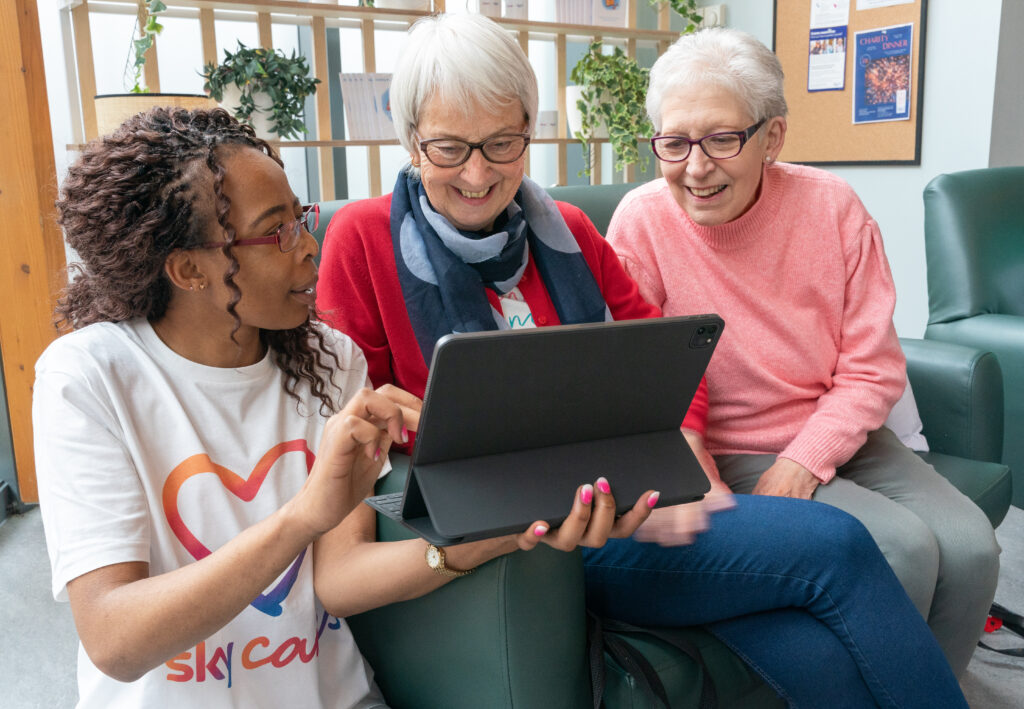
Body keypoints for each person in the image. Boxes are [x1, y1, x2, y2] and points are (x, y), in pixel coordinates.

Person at [316, 12, 969, 708]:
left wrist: (688, 457)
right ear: (410, 140)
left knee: (821, 651)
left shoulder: (563, 231)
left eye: (502, 143)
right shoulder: (361, 239)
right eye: (448, 148)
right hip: (529, 529)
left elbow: (665, 359)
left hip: (629, 501)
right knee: (837, 543)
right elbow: (354, 419)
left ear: (527, 132)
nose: (477, 173)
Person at [35, 107, 648, 708]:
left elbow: (337, 579)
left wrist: (488, 537)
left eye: (301, 219)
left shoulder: (329, 357)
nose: (309, 247)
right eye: (278, 231)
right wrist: (303, 516)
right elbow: (114, 639)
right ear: (189, 268)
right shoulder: (90, 378)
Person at [606, 26, 1000, 679]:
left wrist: (805, 460)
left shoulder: (833, 207)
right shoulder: (641, 221)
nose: (696, 167)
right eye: (674, 143)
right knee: (901, 549)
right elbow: (636, 379)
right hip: (725, 449)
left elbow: (871, 366)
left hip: (841, 432)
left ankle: (933, 690)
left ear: (774, 137)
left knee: (972, 546)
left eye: (722, 139)